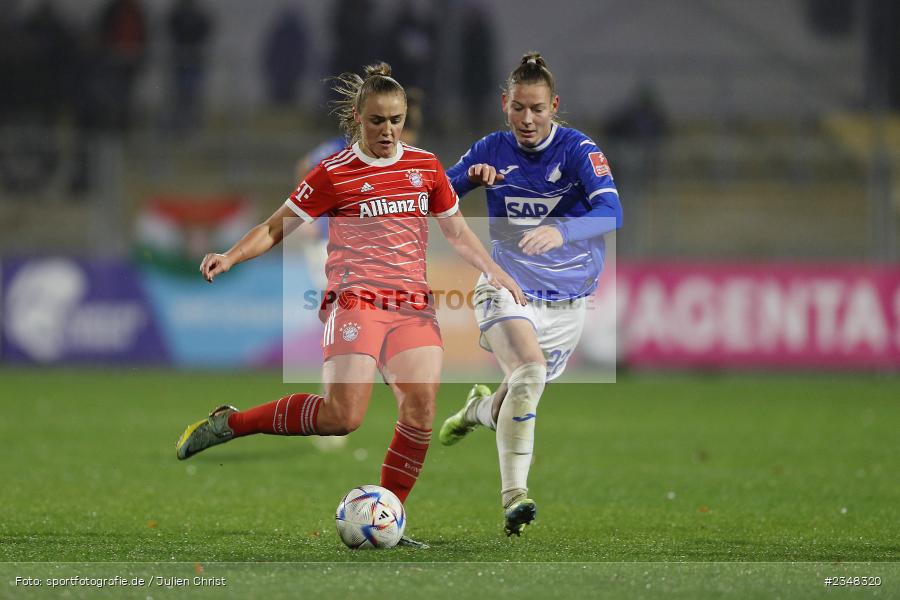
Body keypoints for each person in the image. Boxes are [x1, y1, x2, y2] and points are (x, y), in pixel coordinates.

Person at [175, 62, 525, 547]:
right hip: (355, 298)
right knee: (343, 417)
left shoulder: (424, 166)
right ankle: (231, 423)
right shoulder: (333, 173)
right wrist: (231, 255)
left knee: (421, 410)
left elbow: (458, 232)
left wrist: (497, 272)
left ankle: (388, 518)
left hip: (412, 304)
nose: (388, 130)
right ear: (358, 118)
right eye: (377, 120)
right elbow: (277, 225)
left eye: (396, 120)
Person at [438, 52, 623, 536]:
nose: (527, 119)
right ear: (505, 104)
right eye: (518, 107)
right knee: (529, 371)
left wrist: (562, 231)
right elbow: (436, 197)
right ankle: (514, 496)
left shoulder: (580, 150)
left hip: (568, 304)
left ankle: (479, 409)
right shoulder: (491, 149)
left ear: (554, 106)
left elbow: (612, 212)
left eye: (537, 108)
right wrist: (467, 181)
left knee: (517, 394)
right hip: (508, 287)